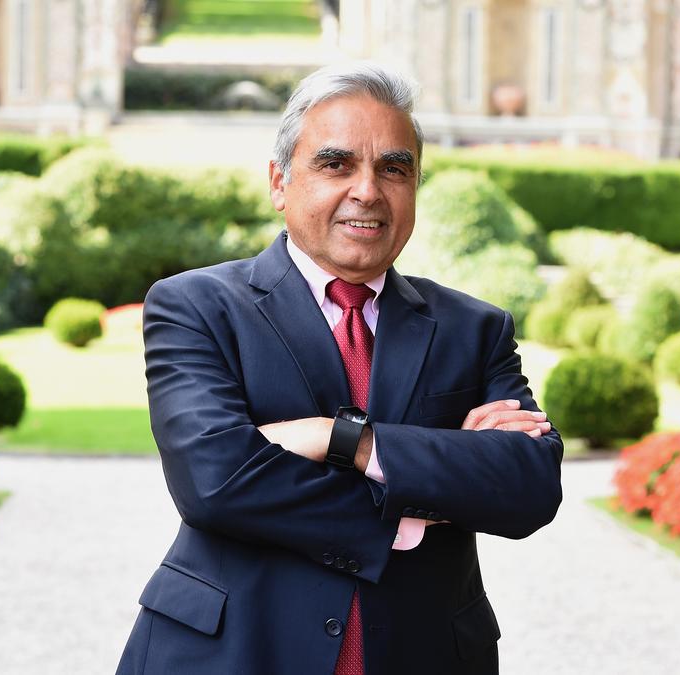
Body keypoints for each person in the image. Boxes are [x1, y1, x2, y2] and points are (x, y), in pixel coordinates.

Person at [115, 61, 563, 675]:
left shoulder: (474, 328)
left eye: (394, 169)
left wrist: (341, 439)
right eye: (336, 164)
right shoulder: (195, 306)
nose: (368, 191)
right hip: (235, 653)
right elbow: (215, 482)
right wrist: (424, 491)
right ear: (279, 182)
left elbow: (529, 486)